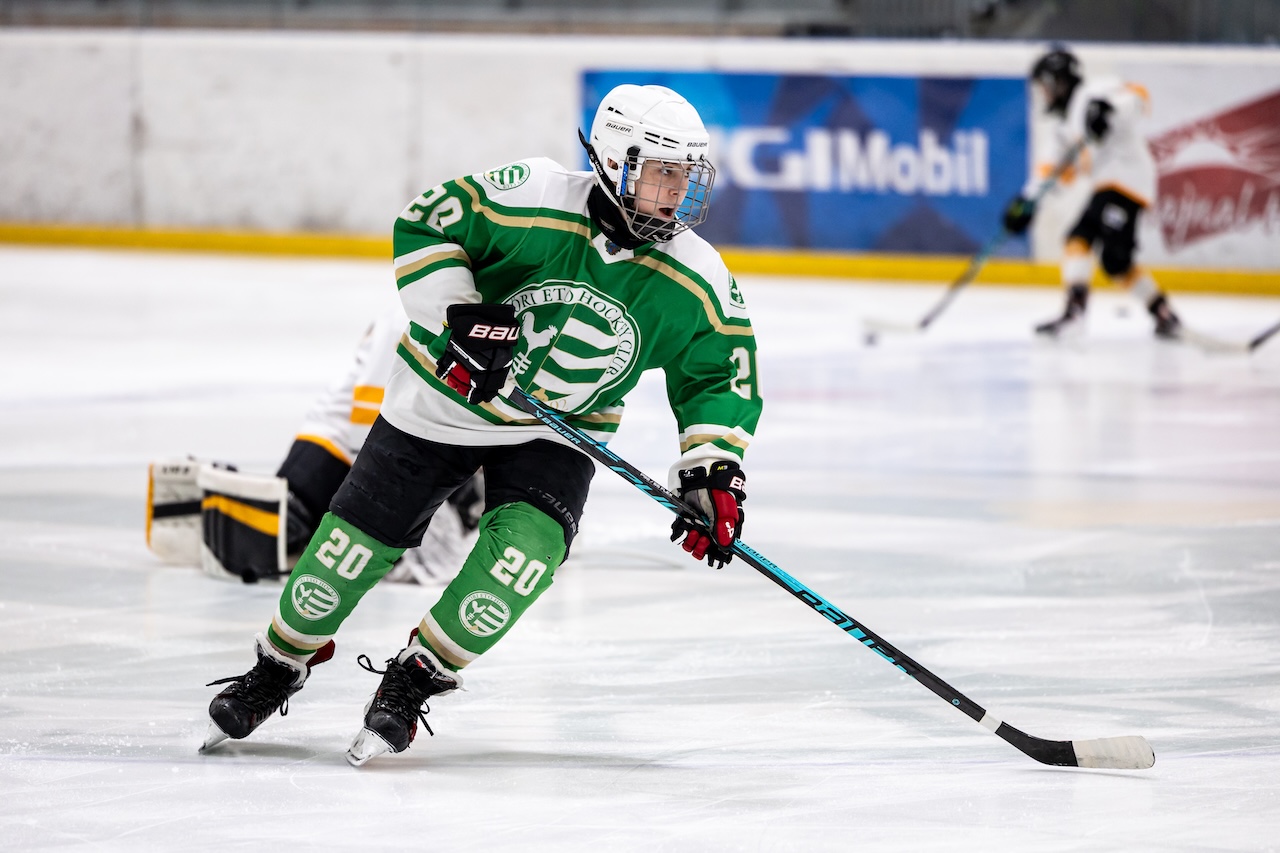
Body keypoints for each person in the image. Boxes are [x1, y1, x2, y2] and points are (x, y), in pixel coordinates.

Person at [200, 83, 762, 767]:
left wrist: (712, 467)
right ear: (616, 162)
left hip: (559, 428)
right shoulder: (531, 195)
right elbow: (425, 224)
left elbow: (718, 374)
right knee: (347, 552)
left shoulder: (698, 274)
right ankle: (279, 664)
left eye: (687, 175)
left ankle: (416, 677)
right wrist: (459, 316)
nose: (677, 192)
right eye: (662, 173)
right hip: (443, 401)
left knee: (524, 559)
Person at [146, 304, 484, 585]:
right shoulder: (407, 317)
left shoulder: (471, 317)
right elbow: (366, 420)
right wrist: (385, 504)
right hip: (338, 449)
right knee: (293, 533)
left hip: (411, 449)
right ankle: (201, 503)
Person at [1002, 45, 1183, 340]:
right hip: (1107, 186)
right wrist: (1027, 202)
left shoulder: (1095, 92)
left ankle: (1076, 313)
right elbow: (1052, 174)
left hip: (1128, 182)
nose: (1043, 94)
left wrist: (1108, 110)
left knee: (1101, 248)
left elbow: (1139, 97)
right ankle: (1161, 312)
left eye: (1044, 86)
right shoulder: (1063, 130)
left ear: (1058, 83)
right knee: (1099, 252)